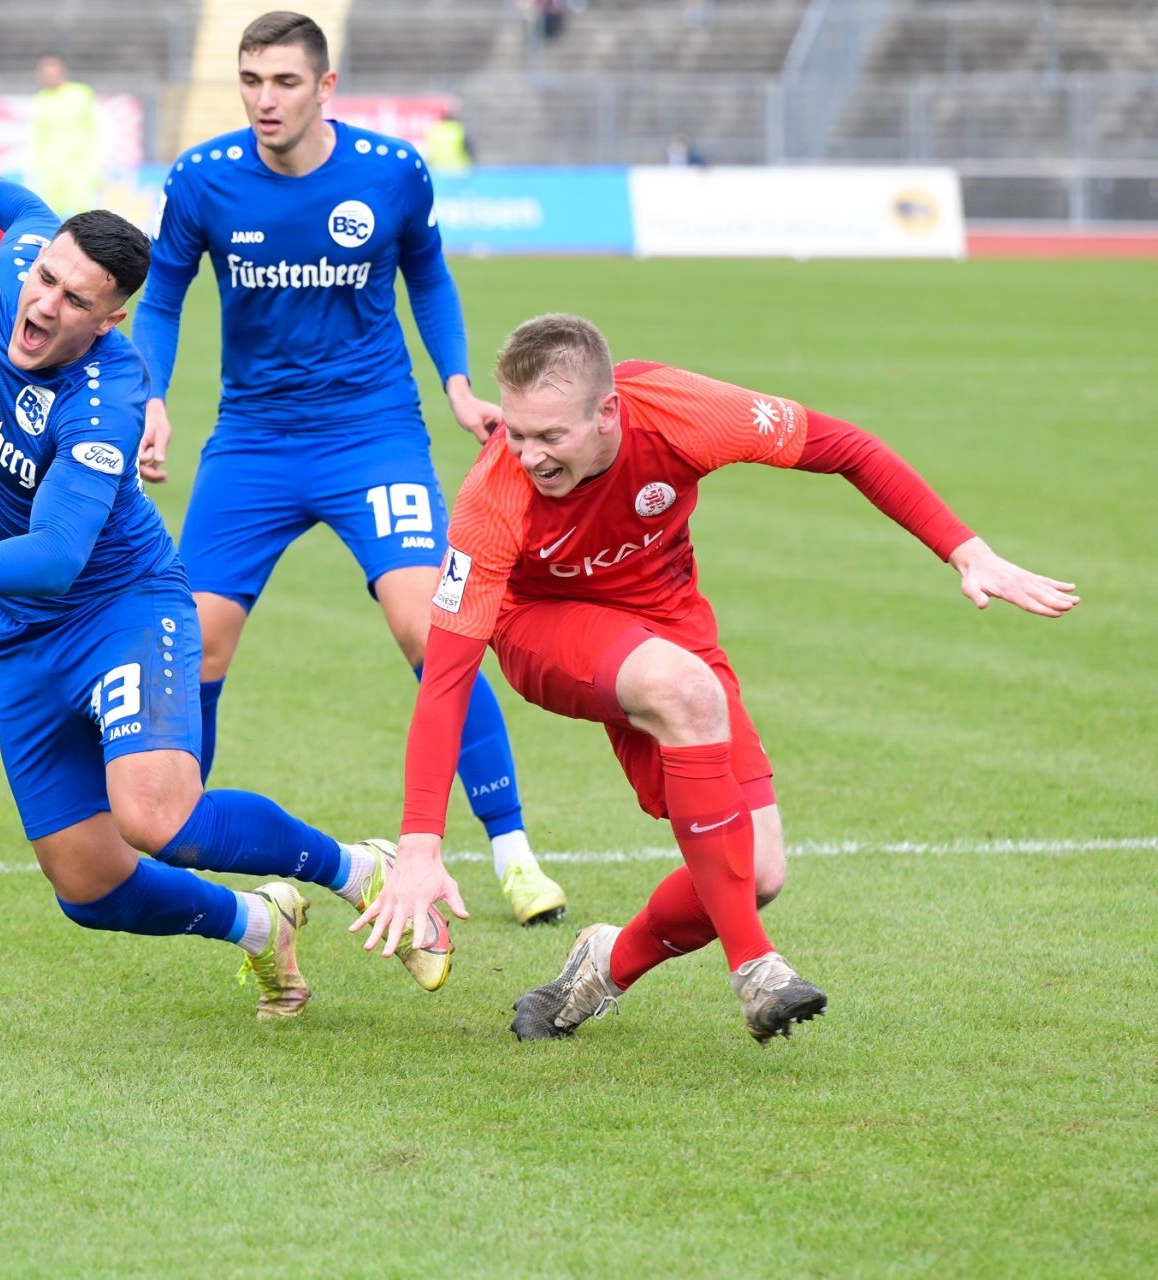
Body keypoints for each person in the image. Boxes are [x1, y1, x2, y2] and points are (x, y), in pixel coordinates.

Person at [0, 81, 451, 1020]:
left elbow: (56, 555)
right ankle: (257, 924)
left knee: (157, 819)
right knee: (86, 885)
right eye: (46, 279)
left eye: (74, 299)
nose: (44, 304)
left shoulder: (105, 399)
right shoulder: (17, 266)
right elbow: (21, 206)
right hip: (26, 634)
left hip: (121, 608)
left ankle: (353, 866)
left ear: (110, 320)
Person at [356, 312, 1078, 1044]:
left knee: (756, 873)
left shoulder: (680, 412)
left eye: (550, 436)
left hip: (671, 625)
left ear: (608, 412)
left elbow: (846, 447)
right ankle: (755, 967)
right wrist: (420, 843)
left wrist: (963, 548)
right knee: (686, 689)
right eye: (516, 433)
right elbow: (446, 678)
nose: (529, 455)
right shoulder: (493, 497)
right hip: (542, 627)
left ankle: (603, 965)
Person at [129, 10, 568, 929]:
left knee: (430, 628)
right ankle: (183, 828)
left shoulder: (391, 171)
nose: (265, 100)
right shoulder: (204, 178)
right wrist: (153, 396)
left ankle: (513, 851)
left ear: (325, 87)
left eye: (284, 82)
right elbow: (163, 294)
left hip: (373, 437)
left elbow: (429, 276)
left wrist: (456, 384)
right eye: (251, 81)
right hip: (253, 442)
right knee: (199, 641)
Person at [28, 55, 100, 217]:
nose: (51, 78)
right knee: (52, 210)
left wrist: (94, 159)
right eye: (46, 75)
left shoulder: (81, 94)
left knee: (84, 210)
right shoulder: (40, 100)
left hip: (79, 164)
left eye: (54, 73)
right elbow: (39, 135)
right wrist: (37, 165)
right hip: (52, 166)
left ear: (63, 73)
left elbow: (96, 127)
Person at [422, 109, 474, 174]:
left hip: (438, 170)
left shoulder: (434, 130)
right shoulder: (458, 129)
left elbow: (428, 151)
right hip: (458, 169)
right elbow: (469, 148)